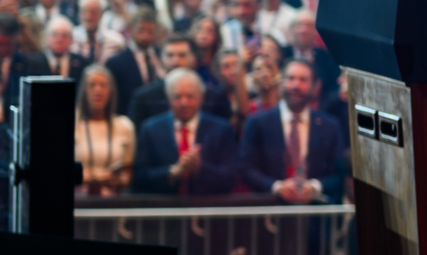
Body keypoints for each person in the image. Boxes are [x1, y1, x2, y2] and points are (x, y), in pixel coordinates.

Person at [240, 59, 347, 205]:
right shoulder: (257, 122)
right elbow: (246, 168)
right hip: (270, 210)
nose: (296, 85)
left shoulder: (330, 126)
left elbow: (338, 173)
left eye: (303, 80)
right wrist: (276, 187)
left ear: (314, 86)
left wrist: (314, 187)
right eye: (290, 78)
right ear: (281, 82)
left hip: (315, 214)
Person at [134, 69, 240, 200]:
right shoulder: (150, 129)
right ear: (168, 98)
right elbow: (139, 177)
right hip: (165, 210)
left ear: (201, 97)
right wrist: (172, 172)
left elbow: (231, 178)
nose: (184, 103)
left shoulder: (221, 129)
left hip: (207, 210)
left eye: (190, 96)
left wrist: (200, 168)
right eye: (177, 97)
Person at [73, 62, 135, 197]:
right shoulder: (72, 123)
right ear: (83, 90)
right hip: (78, 199)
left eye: (103, 85)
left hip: (111, 200)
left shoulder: (124, 125)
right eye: (92, 85)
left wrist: (117, 180)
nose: (98, 90)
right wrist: (90, 178)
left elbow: (127, 172)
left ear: (111, 91)